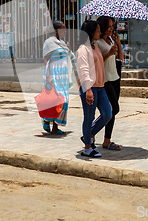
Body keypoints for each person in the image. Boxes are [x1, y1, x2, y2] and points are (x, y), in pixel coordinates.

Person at [76, 20, 112, 158]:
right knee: (89, 116)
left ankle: (89, 134)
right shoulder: (82, 50)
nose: (100, 32)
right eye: (97, 30)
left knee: (107, 113)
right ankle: (87, 148)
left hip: (100, 87)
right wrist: (88, 89)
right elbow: (83, 70)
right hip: (89, 88)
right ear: (91, 32)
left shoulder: (95, 47)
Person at [41, 20, 76, 134]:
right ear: (56, 30)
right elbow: (47, 60)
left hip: (63, 76)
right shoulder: (49, 42)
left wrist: (68, 49)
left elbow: (70, 57)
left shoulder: (62, 43)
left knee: (63, 101)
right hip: (54, 74)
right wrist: (48, 77)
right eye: (63, 28)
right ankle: (46, 120)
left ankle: (56, 126)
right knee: (53, 100)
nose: (65, 30)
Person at [93, 16, 123, 150]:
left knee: (113, 110)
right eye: (109, 26)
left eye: (113, 26)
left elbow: (120, 58)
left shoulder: (111, 39)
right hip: (105, 80)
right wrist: (110, 53)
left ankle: (107, 140)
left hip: (115, 77)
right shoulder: (97, 43)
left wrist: (119, 44)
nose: (112, 28)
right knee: (113, 109)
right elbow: (97, 62)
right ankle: (91, 131)